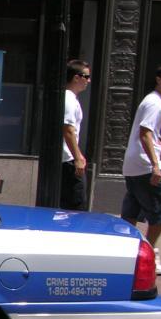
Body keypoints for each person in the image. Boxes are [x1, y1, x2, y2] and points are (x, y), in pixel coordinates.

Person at [121, 62, 161, 275]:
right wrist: (156, 165)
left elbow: (154, 137)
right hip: (145, 166)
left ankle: (129, 254)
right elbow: (145, 133)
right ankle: (149, 256)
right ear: (158, 79)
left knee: (131, 213)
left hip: (136, 165)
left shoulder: (157, 102)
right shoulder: (154, 103)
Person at [61, 60, 91, 211]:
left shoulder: (70, 98)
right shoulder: (68, 98)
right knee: (76, 205)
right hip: (68, 161)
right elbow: (68, 129)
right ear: (76, 77)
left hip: (68, 159)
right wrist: (77, 158)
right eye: (86, 76)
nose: (89, 80)